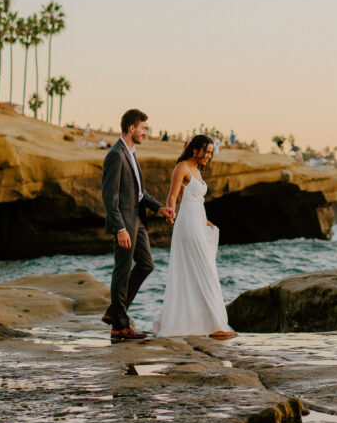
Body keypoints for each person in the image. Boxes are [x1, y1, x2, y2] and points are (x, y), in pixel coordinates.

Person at [100, 108, 176, 340]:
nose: (146, 133)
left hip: (139, 222)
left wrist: (159, 209)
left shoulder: (130, 153)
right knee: (122, 271)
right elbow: (109, 195)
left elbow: (140, 193)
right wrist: (120, 227)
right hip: (126, 224)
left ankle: (114, 312)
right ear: (131, 129)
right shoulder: (116, 154)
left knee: (146, 264)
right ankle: (119, 326)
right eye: (143, 128)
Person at [153, 135, 236, 339]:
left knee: (199, 270)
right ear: (194, 149)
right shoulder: (182, 167)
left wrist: (205, 220)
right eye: (206, 152)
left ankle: (207, 324)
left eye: (210, 153)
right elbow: (174, 195)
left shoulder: (198, 170)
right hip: (188, 223)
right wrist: (170, 212)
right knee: (204, 269)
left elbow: (196, 199)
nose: (208, 156)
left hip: (198, 219)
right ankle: (215, 325)